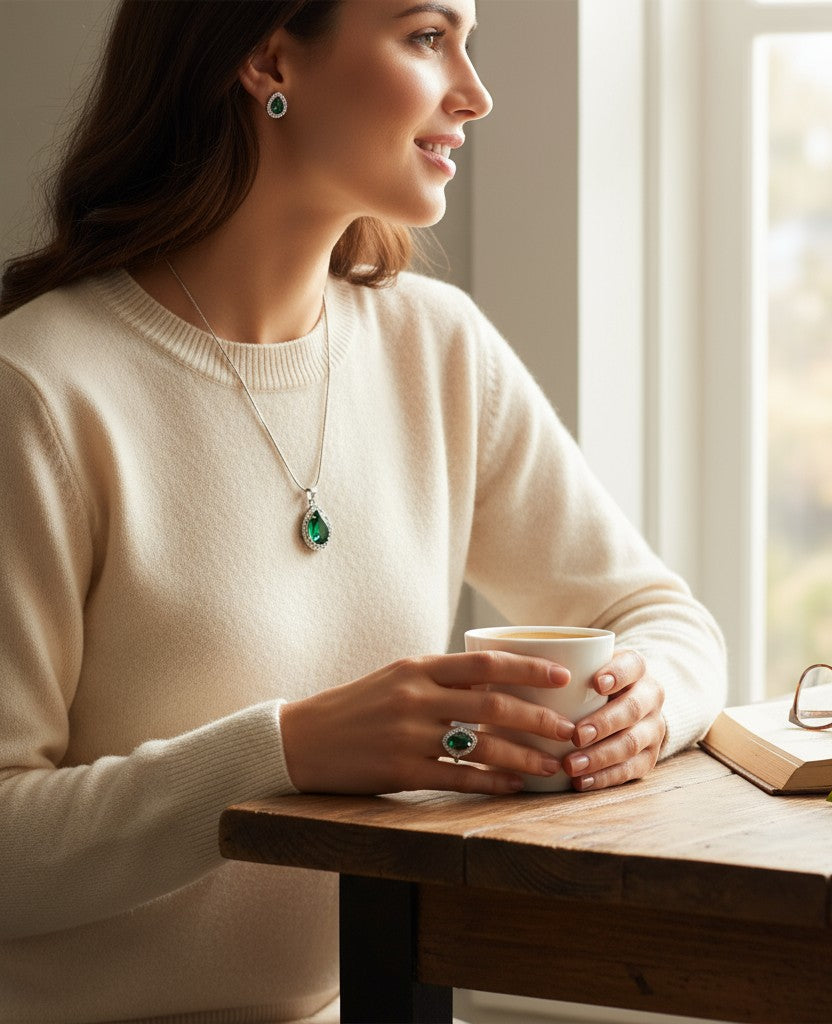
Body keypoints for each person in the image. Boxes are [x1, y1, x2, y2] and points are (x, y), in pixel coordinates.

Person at [0, 1, 727, 1020]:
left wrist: (645, 702)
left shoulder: (436, 347)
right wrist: (286, 751)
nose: (474, 93)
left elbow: (664, 618)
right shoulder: (37, 389)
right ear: (264, 57)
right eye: (428, 37)